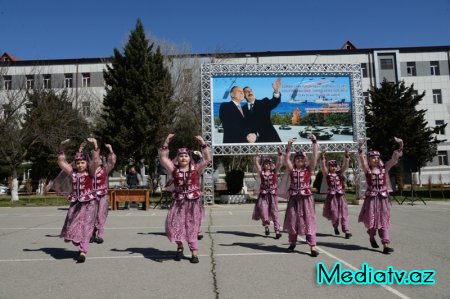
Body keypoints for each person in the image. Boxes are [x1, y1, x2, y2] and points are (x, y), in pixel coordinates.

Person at [159, 134, 211, 263]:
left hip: (193, 202)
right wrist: (166, 142)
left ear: (189, 158)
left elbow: (207, 159)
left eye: (186, 156)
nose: (183, 158)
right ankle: (180, 248)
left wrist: (203, 143)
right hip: (179, 202)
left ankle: (194, 252)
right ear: (178, 158)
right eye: (181, 156)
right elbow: (163, 158)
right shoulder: (174, 170)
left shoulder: (196, 169)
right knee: (177, 225)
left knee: (192, 226)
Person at [357, 137, 403, 254]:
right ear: (369, 159)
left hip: (382, 198)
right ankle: (372, 236)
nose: (376, 159)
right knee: (372, 222)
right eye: (373, 158)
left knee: (383, 221)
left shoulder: (384, 168)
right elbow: (362, 160)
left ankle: (385, 244)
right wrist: (361, 147)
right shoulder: (367, 170)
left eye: (377, 157)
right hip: (371, 199)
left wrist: (400, 146)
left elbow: (393, 159)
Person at [58, 139, 100, 263]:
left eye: (82, 162)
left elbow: (96, 161)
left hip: (89, 203)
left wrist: (95, 145)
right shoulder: (72, 173)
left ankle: (83, 251)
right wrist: (61, 148)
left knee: (86, 226)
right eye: (78, 163)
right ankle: (80, 244)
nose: (80, 165)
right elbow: (61, 162)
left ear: (86, 163)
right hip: (75, 203)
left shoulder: (91, 172)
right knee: (72, 226)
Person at [281, 134, 319, 257]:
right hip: (293, 199)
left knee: (309, 220)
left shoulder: (308, 169)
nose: (300, 160)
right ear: (295, 160)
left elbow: (314, 157)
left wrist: (314, 142)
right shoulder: (292, 170)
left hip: (306, 199)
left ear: (305, 160)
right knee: (292, 220)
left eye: (302, 158)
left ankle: (312, 246)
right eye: (297, 158)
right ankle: (292, 243)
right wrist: (289, 146)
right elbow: (286, 160)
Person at [89, 138, 116, 244]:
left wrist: (111, 150)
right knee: (92, 215)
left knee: (100, 215)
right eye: (97, 158)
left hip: (103, 195)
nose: (98, 159)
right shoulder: (90, 171)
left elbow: (112, 161)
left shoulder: (105, 169)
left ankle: (100, 235)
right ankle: (91, 234)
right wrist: (95, 144)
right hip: (92, 195)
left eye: (100, 158)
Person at [252, 147, 283, 239]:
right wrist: (257, 155)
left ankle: (277, 231)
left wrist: (279, 154)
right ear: (263, 165)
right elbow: (256, 163)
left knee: (274, 212)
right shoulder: (261, 172)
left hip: (272, 196)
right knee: (263, 211)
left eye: (269, 163)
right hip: (263, 196)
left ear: (271, 164)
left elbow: (280, 163)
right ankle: (266, 227)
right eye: (265, 163)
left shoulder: (274, 172)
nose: (267, 165)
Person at [320, 150, 352, 239]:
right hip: (331, 197)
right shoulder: (327, 174)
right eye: (331, 166)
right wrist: (322, 157)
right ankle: (335, 226)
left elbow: (345, 166)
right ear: (329, 167)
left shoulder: (339, 173)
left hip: (340, 196)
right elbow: (323, 167)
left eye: (335, 166)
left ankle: (346, 231)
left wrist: (346, 157)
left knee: (344, 213)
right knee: (335, 214)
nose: (333, 168)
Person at [242, 77, 282, 142]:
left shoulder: (264, 102)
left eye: (250, 90)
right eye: (246, 91)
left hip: (270, 139)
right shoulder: (242, 109)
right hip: (252, 143)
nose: (249, 92)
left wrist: (276, 91)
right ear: (243, 96)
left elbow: (275, 101)